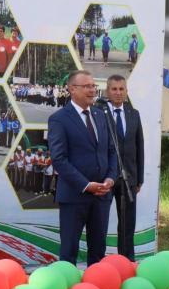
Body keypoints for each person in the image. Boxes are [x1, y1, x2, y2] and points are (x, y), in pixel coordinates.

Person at [48, 70, 117, 265]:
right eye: (87, 86)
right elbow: (59, 159)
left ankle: (96, 284)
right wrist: (86, 185)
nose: (92, 90)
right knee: (69, 252)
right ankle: (68, 284)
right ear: (72, 89)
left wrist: (110, 178)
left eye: (93, 86)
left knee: (98, 253)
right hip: (74, 196)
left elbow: (112, 151)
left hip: (101, 196)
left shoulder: (100, 115)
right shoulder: (59, 119)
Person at [103, 75, 144, 262]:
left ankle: (127, 261)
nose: (118, 93)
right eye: (114, 89)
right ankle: (99, 262)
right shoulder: (99, 112)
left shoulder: (133, 114)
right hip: (105, 178)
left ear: (126, 91)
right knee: (100, 222)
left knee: (127, 223)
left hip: (129, 179)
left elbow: (139, 146)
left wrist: (139, 178)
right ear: (107, 91)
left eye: (121, 89)